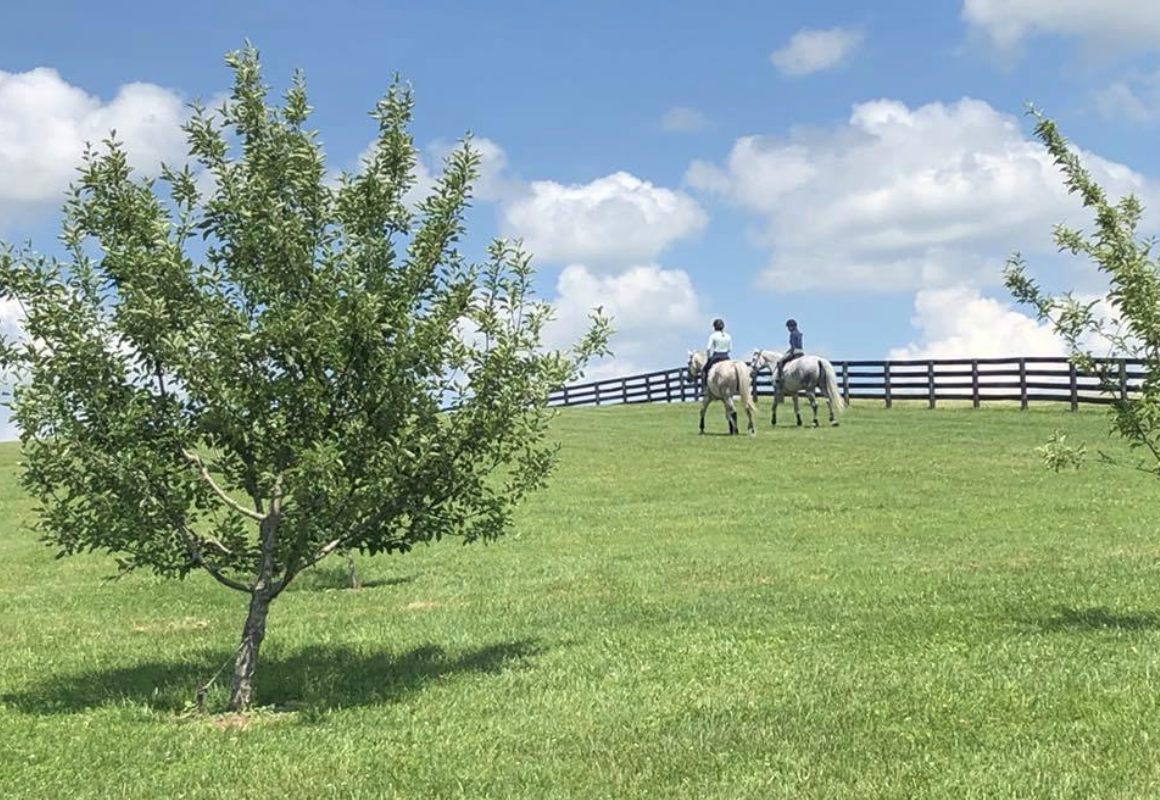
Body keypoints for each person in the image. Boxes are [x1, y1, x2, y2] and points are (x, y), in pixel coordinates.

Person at [703, 318, 732, 388]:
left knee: (705, 369)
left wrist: (709, 357)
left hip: (716, 356)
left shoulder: (713, 336)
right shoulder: (728, 336)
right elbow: (730, 349)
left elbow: (708, 348)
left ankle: (705, 387)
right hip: (726, 357)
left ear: (715, 327)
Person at [775, 318, 803, 383]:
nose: (788, 329)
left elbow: (793, 346)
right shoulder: (799, 333)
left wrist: (790, 352)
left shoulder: (792, 334)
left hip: (795, 352)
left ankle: (780, 377)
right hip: (801, 352)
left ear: (792, 326)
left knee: (779, 362)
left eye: (788, 327)